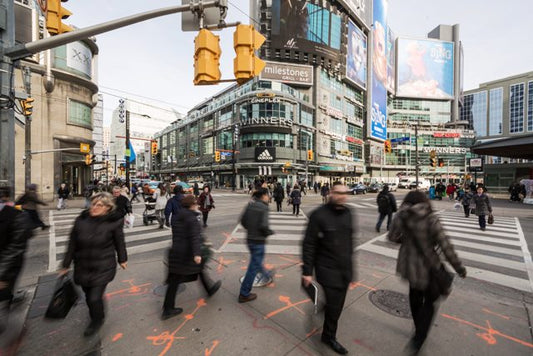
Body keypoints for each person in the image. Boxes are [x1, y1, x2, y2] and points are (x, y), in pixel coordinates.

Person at [388, 190, 466, 353]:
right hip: (428, 267)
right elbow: (445, 246)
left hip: (409, 266)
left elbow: (392, 237)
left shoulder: (401, 216)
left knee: (415, 298)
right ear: (424, 201)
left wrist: (406, 240)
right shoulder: (430, 218)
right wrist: (459, 268)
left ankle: (418, 330)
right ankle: (419, 338)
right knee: (430, 303)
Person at [59, 192, 127, 337]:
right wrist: (65, 264)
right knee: (88, 294)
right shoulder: (81, 220)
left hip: (103, 265)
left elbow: (119, 242)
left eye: (99, 205)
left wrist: (122, 259)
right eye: (93, 204)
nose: (94, 207)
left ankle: (97, 319)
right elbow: (72, 244)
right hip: (82, 265)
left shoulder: (113, 222)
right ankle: (96, 310)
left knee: (94, 297)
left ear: (107, 208)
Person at [302, 182, 355, 355]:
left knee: (337, 306)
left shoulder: (348, 213)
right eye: (338, 193)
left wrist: (351, 271)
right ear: (331, 193)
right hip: (327, 269)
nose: (342, 196)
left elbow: (350, 243)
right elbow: (309, 244)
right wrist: (307, 272)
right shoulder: (319, 215)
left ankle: (327, 323)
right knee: (334, 308)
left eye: (344, 193)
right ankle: (329, 337)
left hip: (344, 270)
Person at [163, 194, 221, 319]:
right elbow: (194, 237)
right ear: (191, 205)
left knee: (198, 270)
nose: (197, 205)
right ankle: (167, 309)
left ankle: (209, 289)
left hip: (176, 251)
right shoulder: (191, 218)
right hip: (186, 254)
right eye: (195, 203)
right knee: (175, 281)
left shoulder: (178, 215)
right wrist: (197, 254)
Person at [0, 187, 33, 335]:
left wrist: (2, 275)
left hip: (7, 269)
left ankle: (15, 333)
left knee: (3, 303)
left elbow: (16, 248)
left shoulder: (16, 216)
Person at [238, 188, 275, 303]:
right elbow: (264, 226)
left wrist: (251, 229)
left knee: (256, 261)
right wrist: (269, 232)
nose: (269, 197)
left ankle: (266, 274)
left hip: (249, 239)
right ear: (263, 196)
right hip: (258, 241)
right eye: (268, 195)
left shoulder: (250, 205)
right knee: (253, 268)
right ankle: (244, 293)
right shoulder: (264, 207)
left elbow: (243, 221)